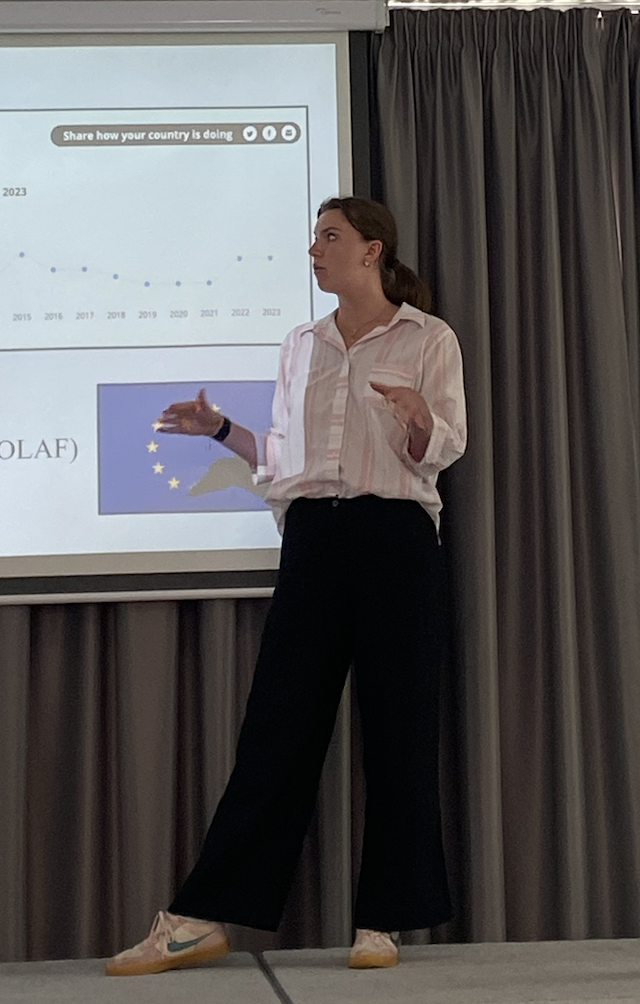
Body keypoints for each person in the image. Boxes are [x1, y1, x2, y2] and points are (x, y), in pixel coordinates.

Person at [105, 196, 466, 977]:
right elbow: (283, 455)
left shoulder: (428, 337)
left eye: (329, 238)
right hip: (313, 538)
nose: (315, 250)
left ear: (371, 251)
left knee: (400, 731)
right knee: (275, 731)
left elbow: (444, 447)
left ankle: (383, 920)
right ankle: (202, 918)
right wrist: (219, 432)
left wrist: (413, 418)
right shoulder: (300, 344)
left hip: (396, 540)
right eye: (313, 239)